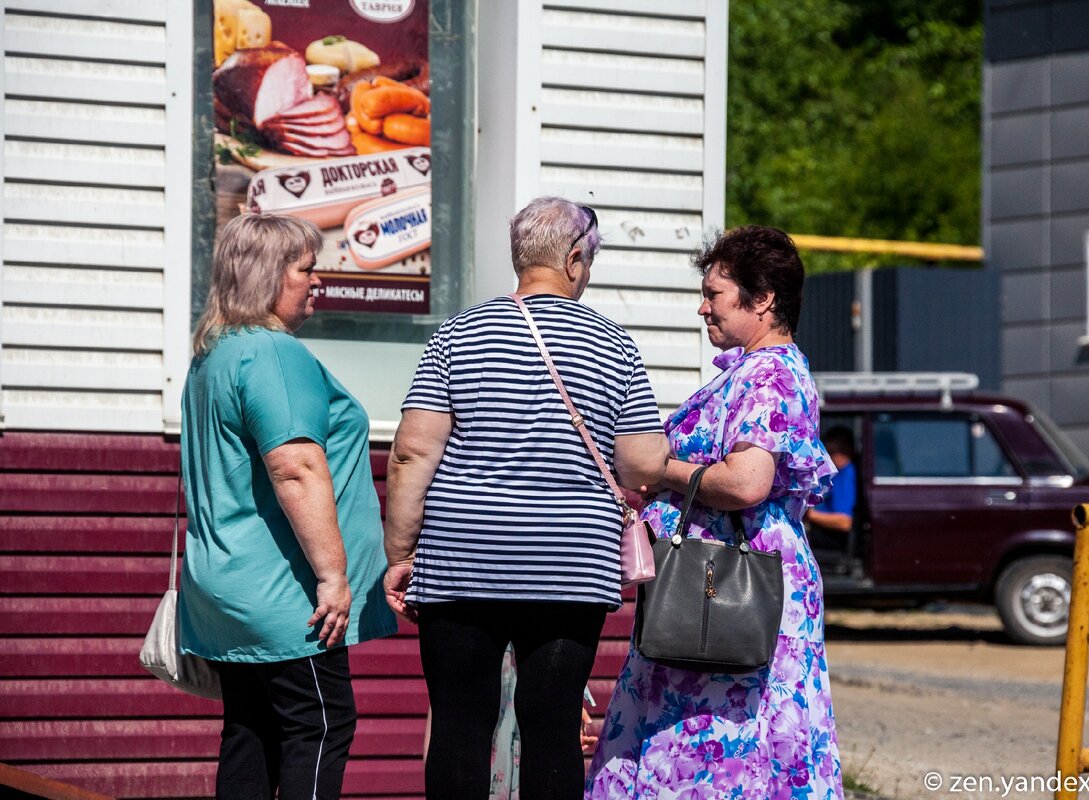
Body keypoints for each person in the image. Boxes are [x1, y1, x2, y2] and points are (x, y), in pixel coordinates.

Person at [384, 196, 670, 800]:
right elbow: (643, 461)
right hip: (569, 565)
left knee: (461, 724)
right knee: (553, 725)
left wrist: (401, 553)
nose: (587, 274)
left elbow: (412, 454)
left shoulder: (456, 334)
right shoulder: (614, 345)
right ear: (572, 260)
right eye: (588, 263)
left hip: (464, 559)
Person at [586, 226, 844, 799]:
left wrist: (657, 469)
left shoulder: (771, 373)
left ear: (763, 299)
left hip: (731, 581)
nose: (702, 306)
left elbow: (748, 482)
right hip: (711, 577)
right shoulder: (750, 372)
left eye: (715, 293)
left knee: (736, 739)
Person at [179, 212, 397, 799]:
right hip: (287, 596)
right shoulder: (274, 354)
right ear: (268, 276)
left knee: (251, 731)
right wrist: (333, 576)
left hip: (226, 588)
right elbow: (296, 468)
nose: (316, 282)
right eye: (306, 269)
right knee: (320, 726)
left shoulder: (214, 354)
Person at [804, 425, 858, 557]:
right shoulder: (836, 474)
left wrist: (810, 515)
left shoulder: (846, 474)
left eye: (834, 451)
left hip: (830, 538)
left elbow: (845, 522)